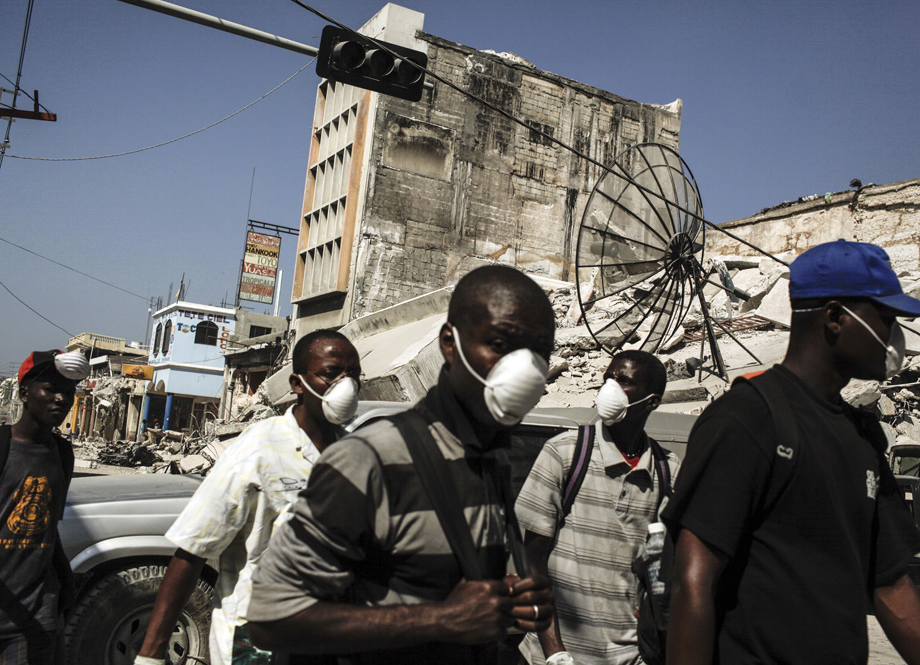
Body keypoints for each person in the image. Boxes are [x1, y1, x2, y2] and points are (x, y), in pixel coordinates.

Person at [664, 240, 920, 664]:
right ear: (836, 318)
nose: (896, 336)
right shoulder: (747, 419)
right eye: (887, 318)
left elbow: (890, 584)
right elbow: (693, 581)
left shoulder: (863, 437)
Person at [246, 265, 556, 663]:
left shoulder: (489, 459)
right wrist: (440, 620)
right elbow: (270, 619)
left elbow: (455, 593)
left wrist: (508, 600)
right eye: (499, 344)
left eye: (538, 354)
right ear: (449, 343)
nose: (524, 371)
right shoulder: (369, 460)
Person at [133, 330, 362, 665]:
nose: (347, 384)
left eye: (354, 374)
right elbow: (194, 548)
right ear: (297, 384)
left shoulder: (357, 454)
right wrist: (152, 651)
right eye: (331, 373)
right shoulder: (257, 449)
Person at [516, 350, 678, 665]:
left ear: (652, 402)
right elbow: (532, 559)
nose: (609, 388)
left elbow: (659, 572)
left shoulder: (667, 470)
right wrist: (555, 653)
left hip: (627, 656)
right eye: (608, 378)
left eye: (623, 381)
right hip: (549, 657)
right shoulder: (565, 452)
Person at [0, 349, 89, 664]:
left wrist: (66, 583)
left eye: (68, 391)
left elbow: (48, 530)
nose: (61, 399)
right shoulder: (3, 446)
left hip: (37, 617)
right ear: (25, 393)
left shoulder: (62, 454)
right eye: (50, 389)